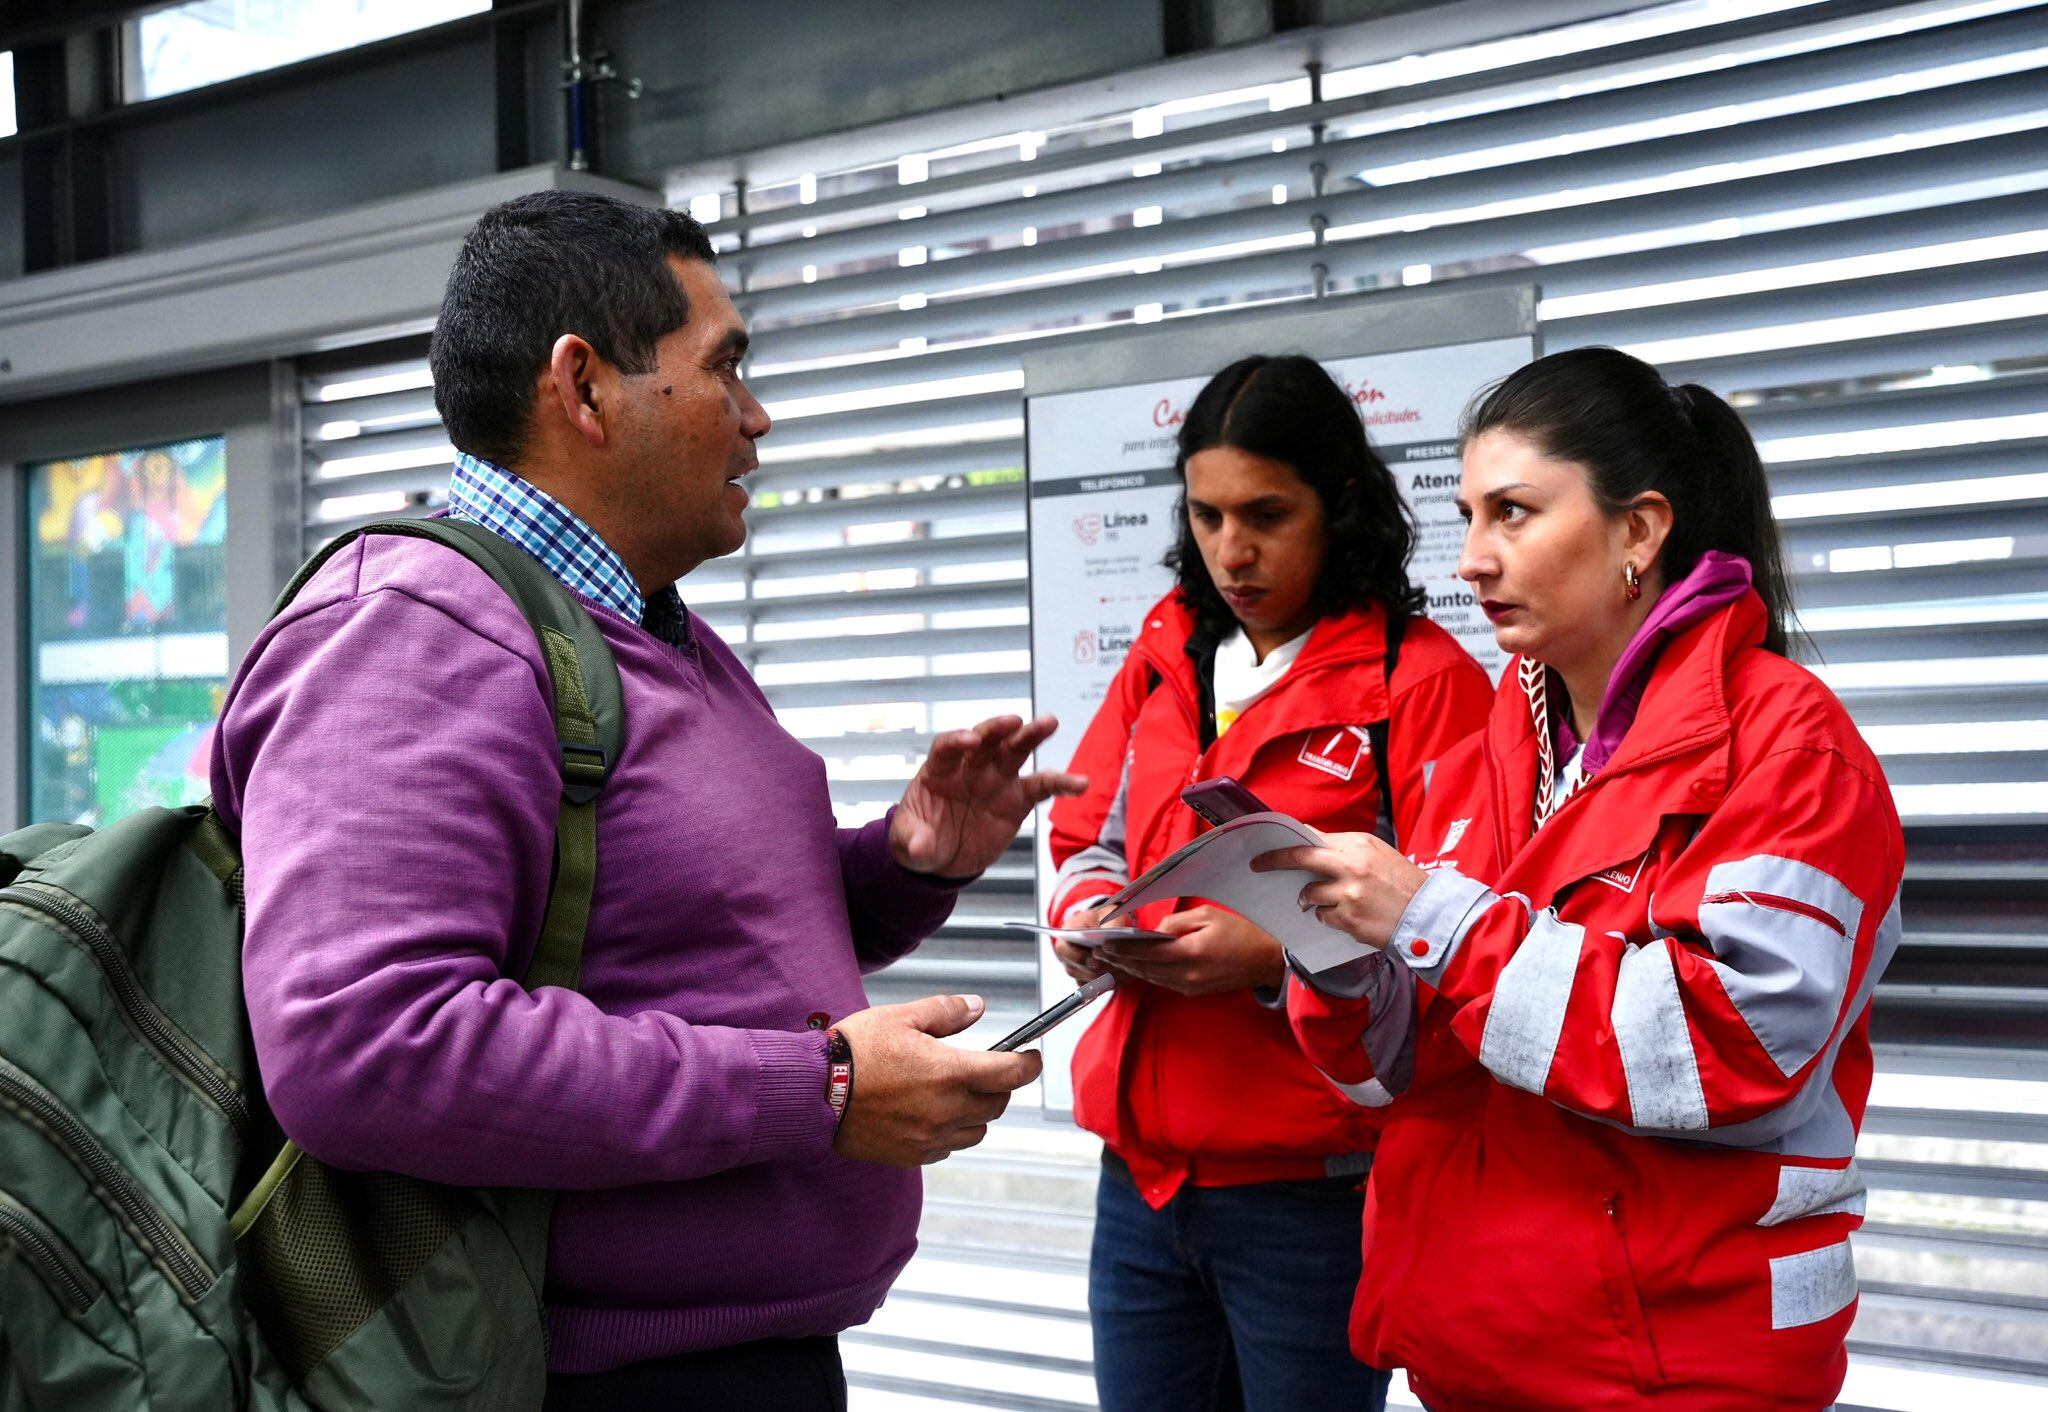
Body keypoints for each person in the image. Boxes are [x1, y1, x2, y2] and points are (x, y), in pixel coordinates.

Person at [209, 190, 1085, 1411]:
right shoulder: (410, 635)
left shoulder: (638, 630)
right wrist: (820, 1088)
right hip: (579, 1379)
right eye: (724, 367)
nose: (756, 416)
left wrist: (904, 862)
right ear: (582, 388)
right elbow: (364, 1039)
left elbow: (679, 931)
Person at [1263, 346, 1903, 1409]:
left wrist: (1435, 921)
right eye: (1465, 515)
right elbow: (1408, 1068)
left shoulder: (1790, 746)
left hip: (1675, 1365)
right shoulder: (1487, 745)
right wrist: (1335, 958)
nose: (1469, 558)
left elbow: (1727, 1051)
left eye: (1510, 512)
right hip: (1479, 1346)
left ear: (1638, 530)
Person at [1044, 354, 1493, 1412]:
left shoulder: (1420, 685)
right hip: (1141, 1184)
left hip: (1311, 1197)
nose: (1229, 550)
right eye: (1204, 515)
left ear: (1337, 506)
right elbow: (1084, 837)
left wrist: (1272, 950)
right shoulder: (1163, 656)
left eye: (1264, 513)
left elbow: (1465, 931)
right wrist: (1086, 919)